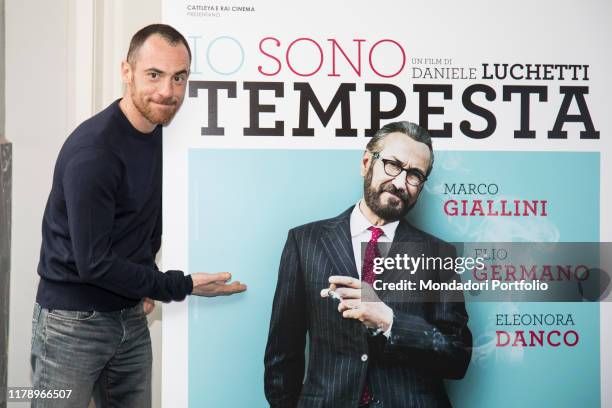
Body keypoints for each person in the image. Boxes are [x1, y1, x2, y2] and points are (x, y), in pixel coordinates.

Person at [31, 24, 246, 407]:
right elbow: (93, 263)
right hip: (71, 324)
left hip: (130, 316)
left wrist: (141, 284)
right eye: (154, 75)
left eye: (178, 78)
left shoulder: (167, 138)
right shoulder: (94, 152)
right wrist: (177, 285)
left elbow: (141, 222)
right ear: (126, 72)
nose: (167, 91)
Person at [264, 121, 472, 408]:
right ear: (366, 163)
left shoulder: (439, 254)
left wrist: (390, 320)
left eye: (414, 175)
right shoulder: (305, 242)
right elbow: (282, 354)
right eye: (392, 165)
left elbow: (458, 357)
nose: (400, 183)